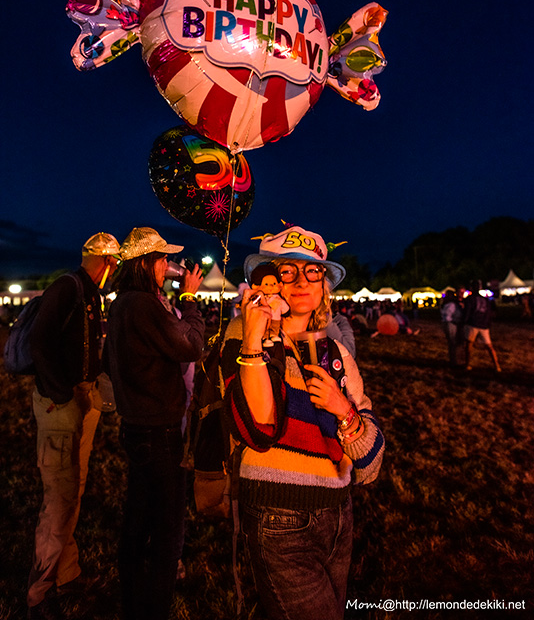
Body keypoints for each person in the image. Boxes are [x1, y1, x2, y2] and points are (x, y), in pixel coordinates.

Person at [220, 225, 385, 620]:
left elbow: (371, 464)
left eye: (313, 272)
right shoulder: (244, 335)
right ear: (269, 282)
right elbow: (259, 429)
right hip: (278, 517)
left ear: (324, 285)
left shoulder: (337, 352)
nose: (300, 282)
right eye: (287, 272)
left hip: (339, 515)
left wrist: (343, 410)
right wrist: (254, 340)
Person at [103, 227, 205, 620]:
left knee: (137, 520)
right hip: (159, 431)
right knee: (166, 530)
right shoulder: (144, 305)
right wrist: (190, 298)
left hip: (135, 426)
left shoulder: (122, 304)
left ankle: (132, 603)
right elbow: (191, 345)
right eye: (163, 259)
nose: (169, 266)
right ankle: (155, 607)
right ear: (147, 263)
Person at [27, 232, 121, 620]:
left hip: (80, 398)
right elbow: (39, 342)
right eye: (116, 264)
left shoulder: (88, 292)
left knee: (73, 490)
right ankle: (39, 594)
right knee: (60, 497)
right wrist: (61, 396)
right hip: (62, 403)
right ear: (108, 262)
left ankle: (66, 572)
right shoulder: (68, 288)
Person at [463, 280, 501, 372]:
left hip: (473, 324)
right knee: (489, 346)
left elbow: (467, 312)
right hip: (484, 324)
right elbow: (489, 312)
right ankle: (497, 365)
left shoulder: (470, 299)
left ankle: (468, 364)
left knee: (469, 344)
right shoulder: (485, 299)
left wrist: (464, 321)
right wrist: (488, 323)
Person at [440, 290, 463, 367]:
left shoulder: (446, 304)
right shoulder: (451, 305)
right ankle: (454, 361)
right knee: (453, 342)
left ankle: (453, 359)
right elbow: (448, 317)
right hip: (451, 324)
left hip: (448, 323)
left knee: (452, 343)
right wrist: (455, 321)